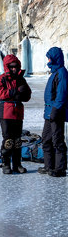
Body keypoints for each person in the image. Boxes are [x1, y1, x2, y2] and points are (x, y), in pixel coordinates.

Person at [0, 54, 32, 174]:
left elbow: (27, 96)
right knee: (8, 140)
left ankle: (17, 164)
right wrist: (15, 92)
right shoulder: (2, 79)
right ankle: (6, 164)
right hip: (6, 113)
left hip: (18, 113)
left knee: (17, 140)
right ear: (7, 67)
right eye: (11, 67)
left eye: (16, 66)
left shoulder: (21, 79)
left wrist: (23, 93)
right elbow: (0, 93)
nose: (14, 69)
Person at [42, 47, 68, 177]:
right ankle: (48, 165)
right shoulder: (54, 72)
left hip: (56, 112)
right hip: (49, 112)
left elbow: (61, 94)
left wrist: (55, 110)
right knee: (46, 139)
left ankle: (60, 168)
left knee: (57, 140)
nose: (47, 60)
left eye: (49, 57)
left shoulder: (62, 73)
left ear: (54, 58)